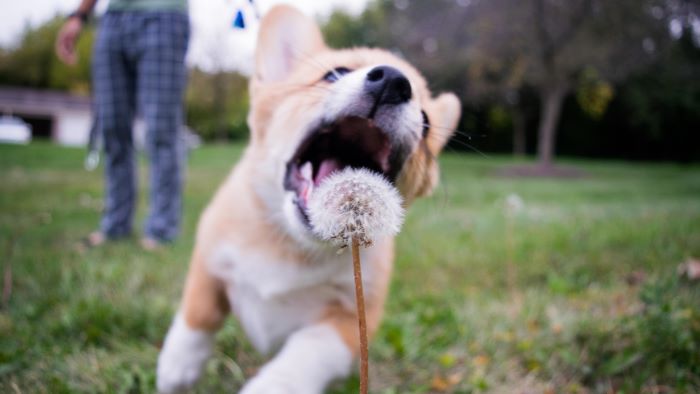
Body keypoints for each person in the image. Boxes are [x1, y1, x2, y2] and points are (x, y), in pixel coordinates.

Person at [56, 0, 190, 250]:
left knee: (162, 130)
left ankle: (162, 229)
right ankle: (116, 225)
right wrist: (79, 15)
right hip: (114, 18)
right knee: (111, 127)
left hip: (164, 15)